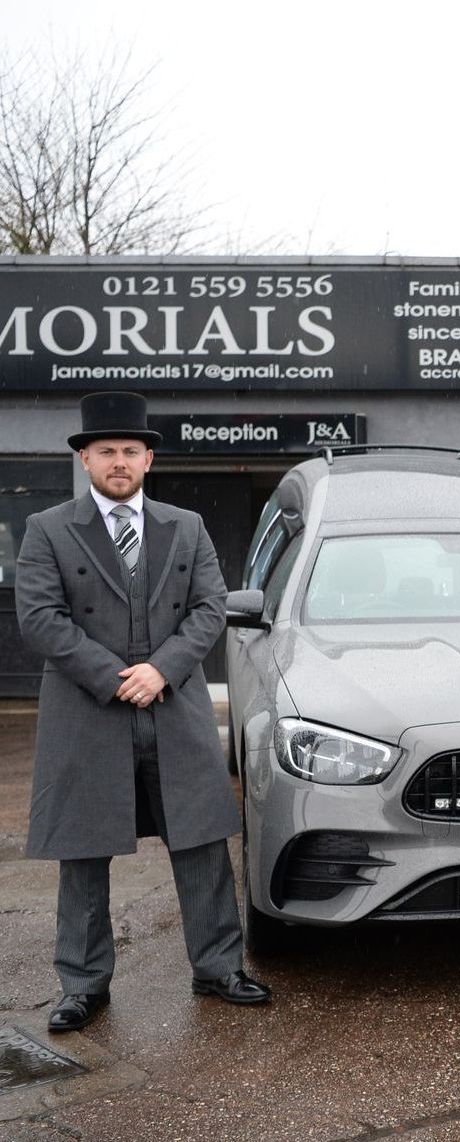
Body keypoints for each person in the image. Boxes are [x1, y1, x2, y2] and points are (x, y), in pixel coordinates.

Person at [16, 391, 271, 1033]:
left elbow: (210, 607)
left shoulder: (186, 526)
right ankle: (82, 984)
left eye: (131, 451)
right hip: (87, 710)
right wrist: (112, 677)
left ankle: (218, 968)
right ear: (86, 460)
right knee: (83, 847)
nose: (119, 461)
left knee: (201, 840)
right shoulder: (47, 528)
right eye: (106, 451)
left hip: (172, 702)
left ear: (149, 458)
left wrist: (161, 668)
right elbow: (40, 619)